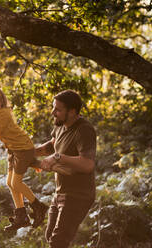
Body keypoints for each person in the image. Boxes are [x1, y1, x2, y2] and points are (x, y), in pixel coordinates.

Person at [0, 85, 48, 231]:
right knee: (10, 183)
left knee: (16, 183)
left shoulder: (3, 114)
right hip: (13, 150)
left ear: (1, 103)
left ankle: (39, 207)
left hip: (23, 148)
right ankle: (21, 216)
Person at [35, 90, 97, 248]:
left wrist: (58, 158)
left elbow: (87, 164)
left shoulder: (84, 130)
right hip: (60, 192)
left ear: (72, 111)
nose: (53, 112)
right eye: (53, 108)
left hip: (78, 194)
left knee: (58, 241)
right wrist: (31, 152)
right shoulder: (61, 125)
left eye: (58, 109)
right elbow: (52, 144)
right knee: (50, 236)